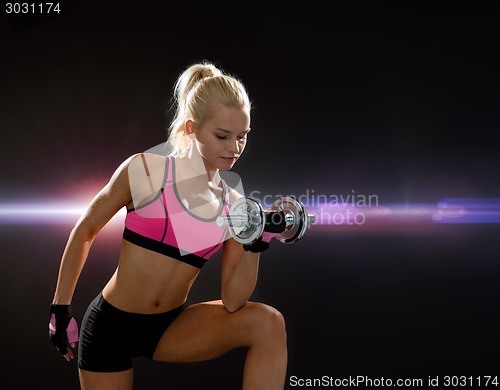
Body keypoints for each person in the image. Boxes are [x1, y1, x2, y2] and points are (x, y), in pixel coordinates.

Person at [48, 61, 287, 389]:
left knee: (268, 323)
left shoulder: (234, 204)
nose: (234, 148)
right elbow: (86, 229)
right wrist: (60, 308)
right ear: (192, 128)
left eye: (242, 137)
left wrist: (255, 242)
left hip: (169, 328)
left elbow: (233, 301)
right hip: (110, 326)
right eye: (222, 136)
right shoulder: (145, 171)